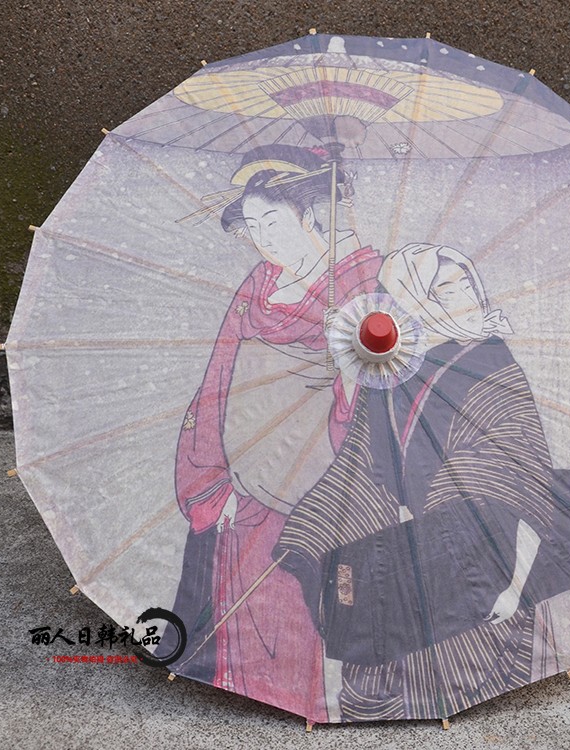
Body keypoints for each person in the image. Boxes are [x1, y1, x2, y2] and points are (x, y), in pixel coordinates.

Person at [274, 243, 570, 721]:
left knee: (461, 650)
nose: (466, 296)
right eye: (446, 290)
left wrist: (508, 575)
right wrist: (316, 533)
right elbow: (362, 466)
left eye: (467, 284)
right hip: (402, 550)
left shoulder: (489, 362)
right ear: (410, 301)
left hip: (481, 546)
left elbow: (514, 469)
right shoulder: (390, 370)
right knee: (374, 633)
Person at [164, 145, 382, 723]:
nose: (263, 239)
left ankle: (306, 696)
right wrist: (211, 471)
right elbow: (218, 379)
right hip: (243, 471)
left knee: (296, 592)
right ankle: (242, 685)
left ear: (311, 214)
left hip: (318, 475)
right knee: (238, 588)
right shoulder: (259, 284)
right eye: (253, 226)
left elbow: (384, 390)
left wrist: (352, 355)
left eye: (274, 221)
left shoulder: (362, 279)